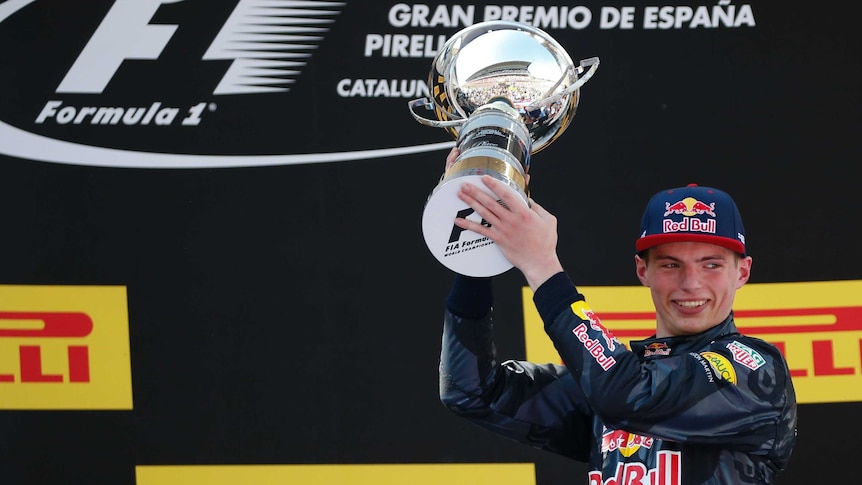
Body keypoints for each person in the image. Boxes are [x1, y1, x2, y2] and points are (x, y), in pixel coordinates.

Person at [438, 149, 798, 484]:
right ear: (643, 271)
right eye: (671, 265)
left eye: (712, 265)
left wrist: (543, 267)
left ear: (743, 272)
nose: (691, 283)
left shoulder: (756, 371)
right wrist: (476, 246)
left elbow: (628, 394)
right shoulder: (615, 380)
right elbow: (471, 393)